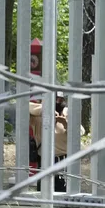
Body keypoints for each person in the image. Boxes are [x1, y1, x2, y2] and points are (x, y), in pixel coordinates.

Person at [23, 38, 71, 191]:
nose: (58, 101)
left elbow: (80, 132)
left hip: (62, 161)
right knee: (43, 191)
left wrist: (64, 122)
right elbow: (24, 106)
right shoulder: (39, 114)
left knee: (62, 193)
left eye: (60, 98)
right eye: (55, 98)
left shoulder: (67, 112)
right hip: (45, 159)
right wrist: (46, 109)